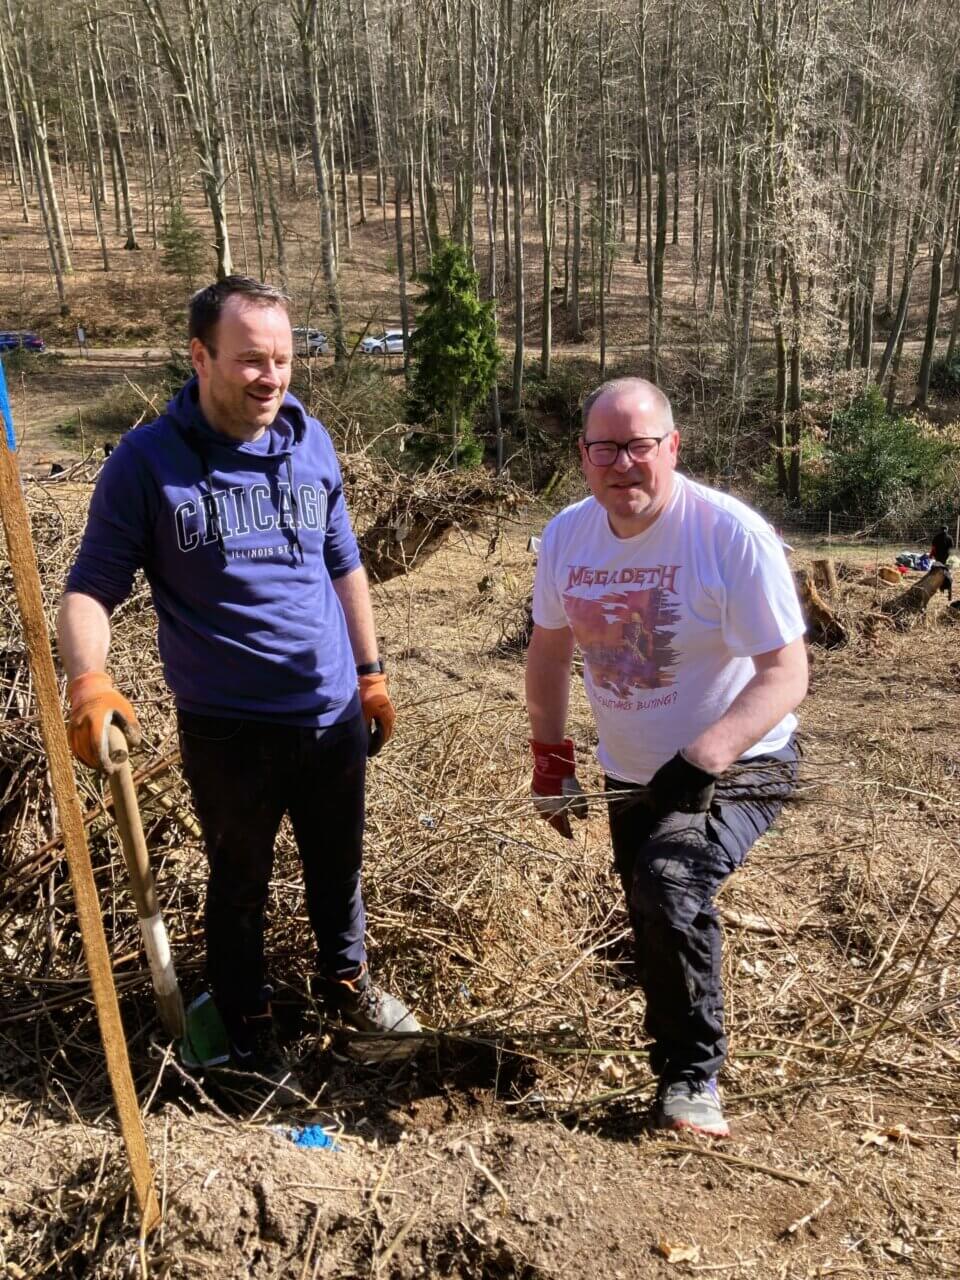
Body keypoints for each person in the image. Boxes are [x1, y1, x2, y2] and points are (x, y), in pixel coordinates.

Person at [58, 276, 420, 1094]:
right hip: (228, 726)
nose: (272, 378)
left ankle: (346, 985)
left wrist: (370, 675)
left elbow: (343, 563)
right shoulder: (147, 463)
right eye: (251, 360)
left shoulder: (310, 441)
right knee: (239, 880)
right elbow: (89, 588)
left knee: (339, 868)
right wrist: (89, 683)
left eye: (284, 360)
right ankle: (247, 1016)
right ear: (201, 357)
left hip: (330, 715)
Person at [525, 378, 808, 1138]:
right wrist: (551, 758)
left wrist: (706, 754)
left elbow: (788, 673)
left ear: (672, 448)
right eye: (605, 449)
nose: (624, 464)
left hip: (742, 758)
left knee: (669, 879)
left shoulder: (727, 534)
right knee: (650, 905)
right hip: (632, 768)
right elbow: (549, 654)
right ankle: (675, 1019)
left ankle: (691, 1079)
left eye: (640, 446)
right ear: (583, 458)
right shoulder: (566, 538)